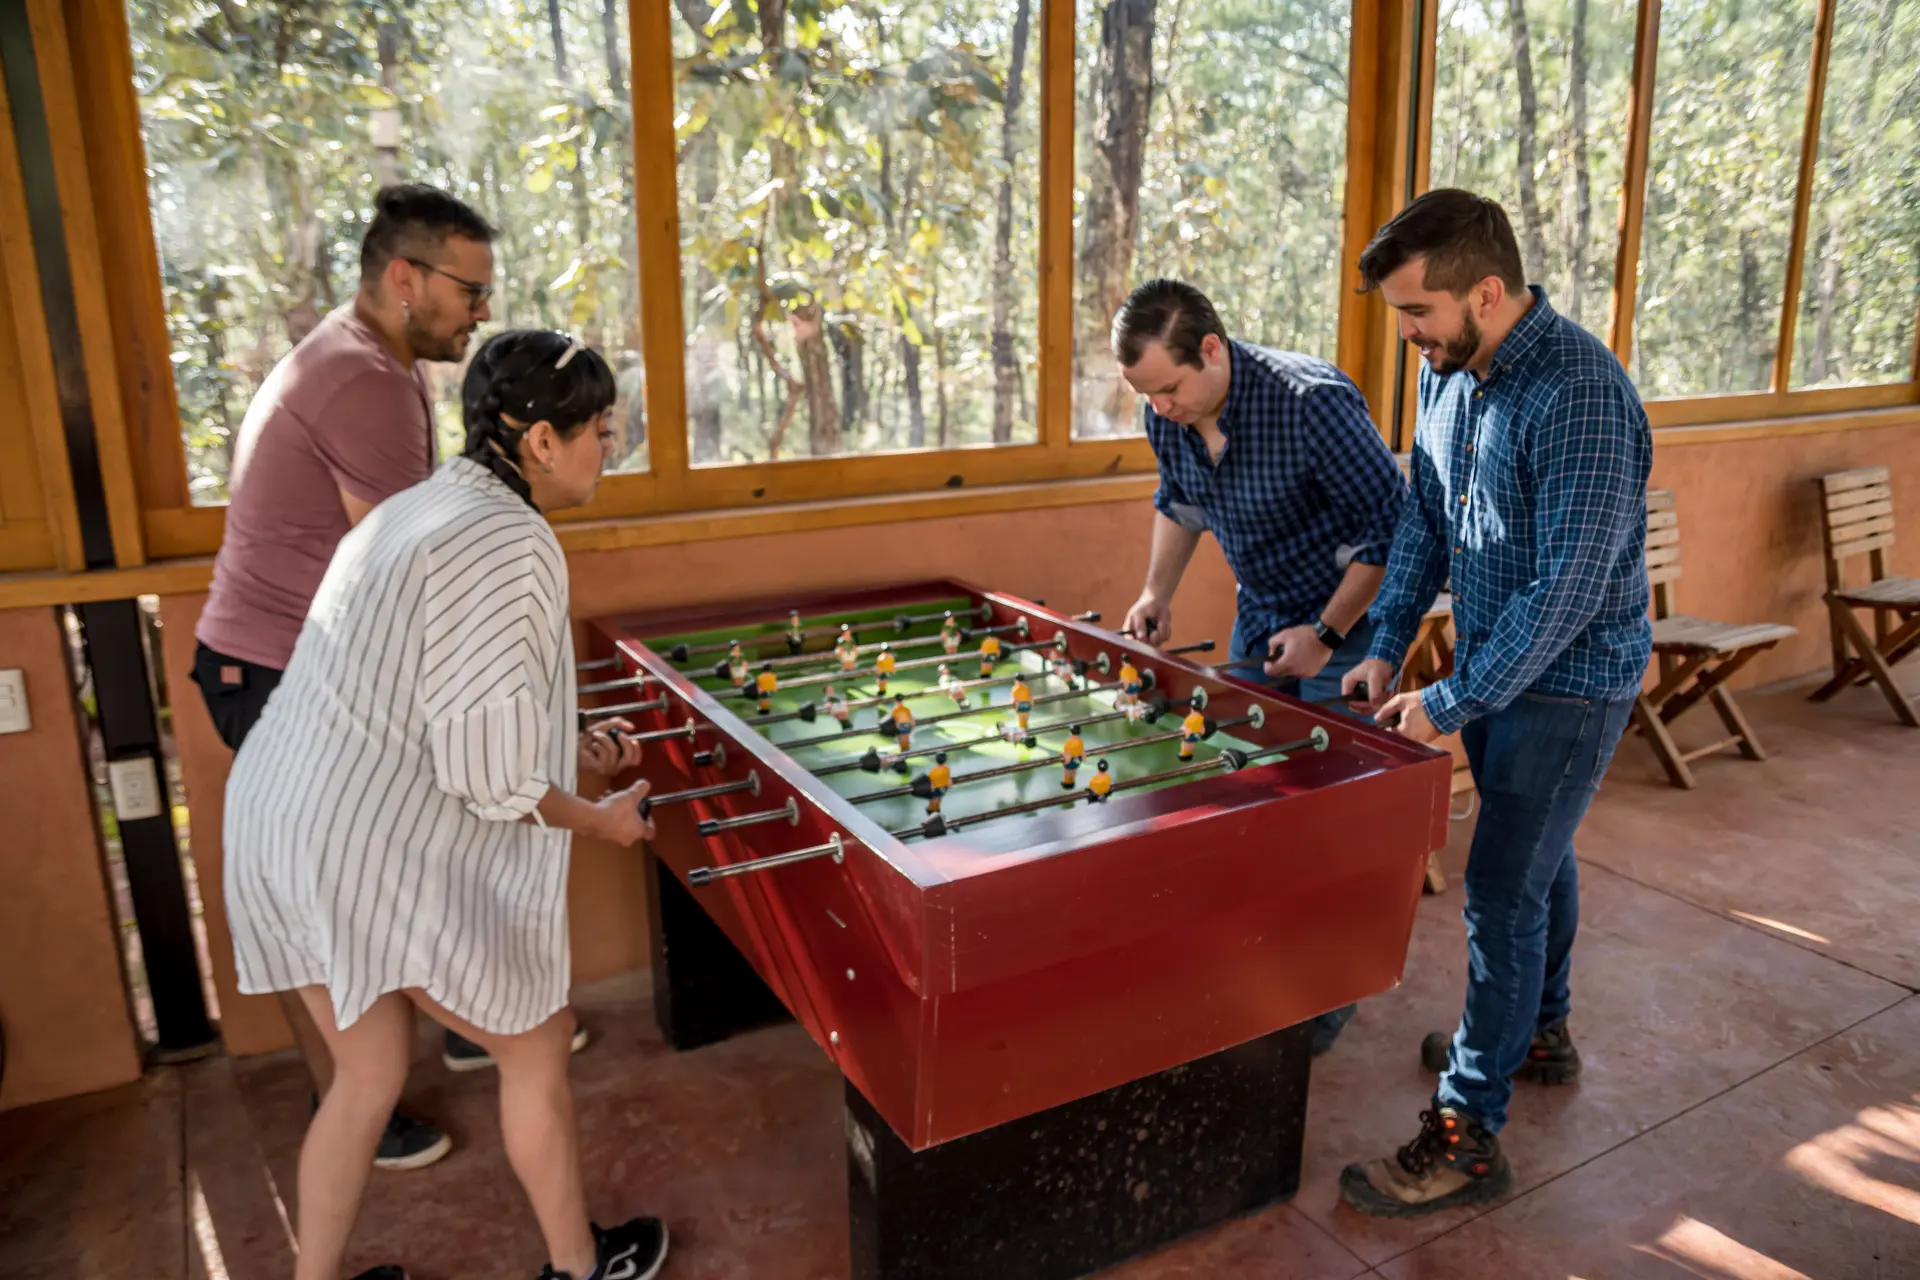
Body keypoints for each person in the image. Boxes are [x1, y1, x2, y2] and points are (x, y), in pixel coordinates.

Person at [223, 330, 671, 1280]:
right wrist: (602, 821)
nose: (609, 447)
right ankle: (581, 1268)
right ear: (541, 440)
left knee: (368, 1074)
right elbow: (487, 776)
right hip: (364, 843)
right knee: (537, 1045)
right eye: (599, 429)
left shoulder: (422, 507)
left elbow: (448, 702)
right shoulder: (511, 541)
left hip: (274, 817)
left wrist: (570, 750)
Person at [1337, 190, 1650, 1218]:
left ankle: (1468, 1135)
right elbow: (1421, 517)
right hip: (1503, 668)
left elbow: (1565, 590)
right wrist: (1385, 646)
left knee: (1500, 891)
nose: (1408, 336)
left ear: (1485, 289)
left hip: (1573, 680)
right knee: (1539, 855)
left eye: (1417, 313)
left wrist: (1457, 696)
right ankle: (1538, 1033)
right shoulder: (1452, 378)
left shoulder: (1581, 394)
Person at [190, 183, 501, 1170]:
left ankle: (452, 1022)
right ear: (404, 277)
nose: (482, 311)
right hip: (275, 674)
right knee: (334, 895)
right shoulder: (362, 378)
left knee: (416, 847)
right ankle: (355, 1104)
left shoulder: (374, 355)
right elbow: (398, 563)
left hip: (290, 663)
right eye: (469, 289)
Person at [1116, 277, 1407, 1056]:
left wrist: (1324, 630)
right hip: (1264, 615)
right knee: (1244, 791)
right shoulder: (1168, 414)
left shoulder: (1310, 403)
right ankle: (1255, 966)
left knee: (1334, 817)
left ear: (1212, 349)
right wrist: (1155, 594)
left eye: (1171, 388)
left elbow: (1392, 531)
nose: (1164, 408)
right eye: (1149, 395)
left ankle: (1328, 991)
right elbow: (1181, 502)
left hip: (1350, 627)